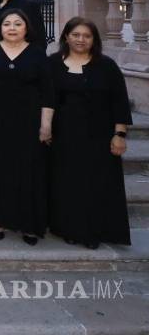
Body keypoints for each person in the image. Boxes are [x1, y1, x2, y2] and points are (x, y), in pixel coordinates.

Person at [0, 9, 55, 245]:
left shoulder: (38, 54)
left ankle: (29, 224)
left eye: (17, 24)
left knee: (28, 171)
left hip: (29, 122)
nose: (11, 28)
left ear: (26, 27)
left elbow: (48, 93)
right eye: (7, 24)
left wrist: (46, 124)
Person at [48, 18, 132, 248]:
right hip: (63, 135)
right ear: (66, 36)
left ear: (94, 40)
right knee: (66, 183)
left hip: (99, 136)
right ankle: (68, 228)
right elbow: (45, 99)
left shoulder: (107, 66)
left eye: (86, 36)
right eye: (76, 35)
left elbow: (120, 103)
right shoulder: (53, 64)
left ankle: (94, 232)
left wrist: (120, 134)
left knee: (96, 184)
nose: (80, 40)